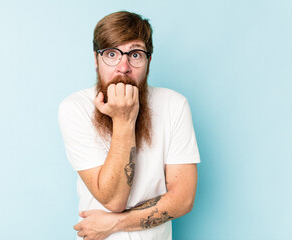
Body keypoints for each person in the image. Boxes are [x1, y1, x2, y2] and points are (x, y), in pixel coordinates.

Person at [58, 10, 200, 240]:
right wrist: (124, 120)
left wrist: (114, 224)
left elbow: (183, 199)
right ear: (96, 60)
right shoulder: (75, 108)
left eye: (135, 55)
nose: (123, 67)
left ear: (148, 62)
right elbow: (113, 199)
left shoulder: (174, 105)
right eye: (112, 54)